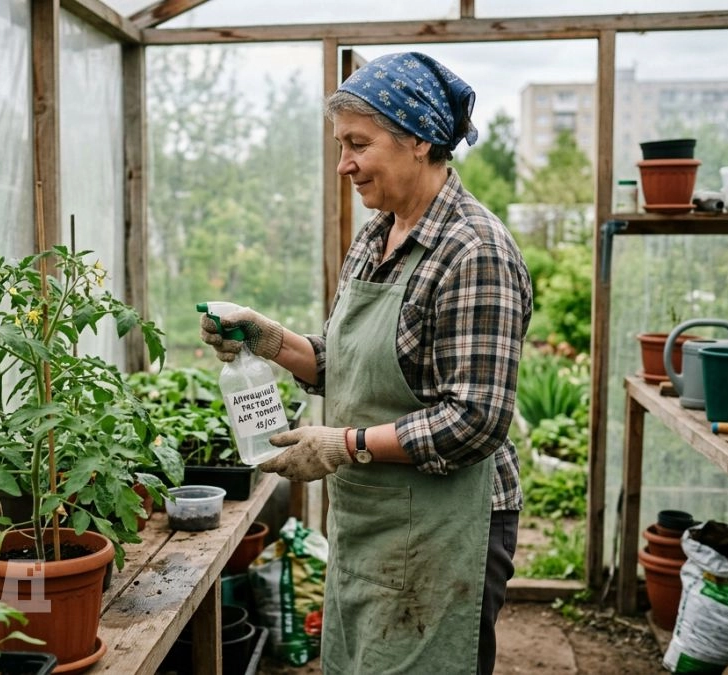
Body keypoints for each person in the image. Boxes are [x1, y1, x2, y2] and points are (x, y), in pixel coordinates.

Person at [200, 52, 532, 675]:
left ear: (419, 140)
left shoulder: (474, 252)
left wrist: (343, 444)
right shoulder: (377, 233)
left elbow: (476, 420)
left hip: (445, 527)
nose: (342, 164)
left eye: (358, 143)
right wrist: (273, 342)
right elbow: (344, 361)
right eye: (340, 144)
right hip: (371, 513)